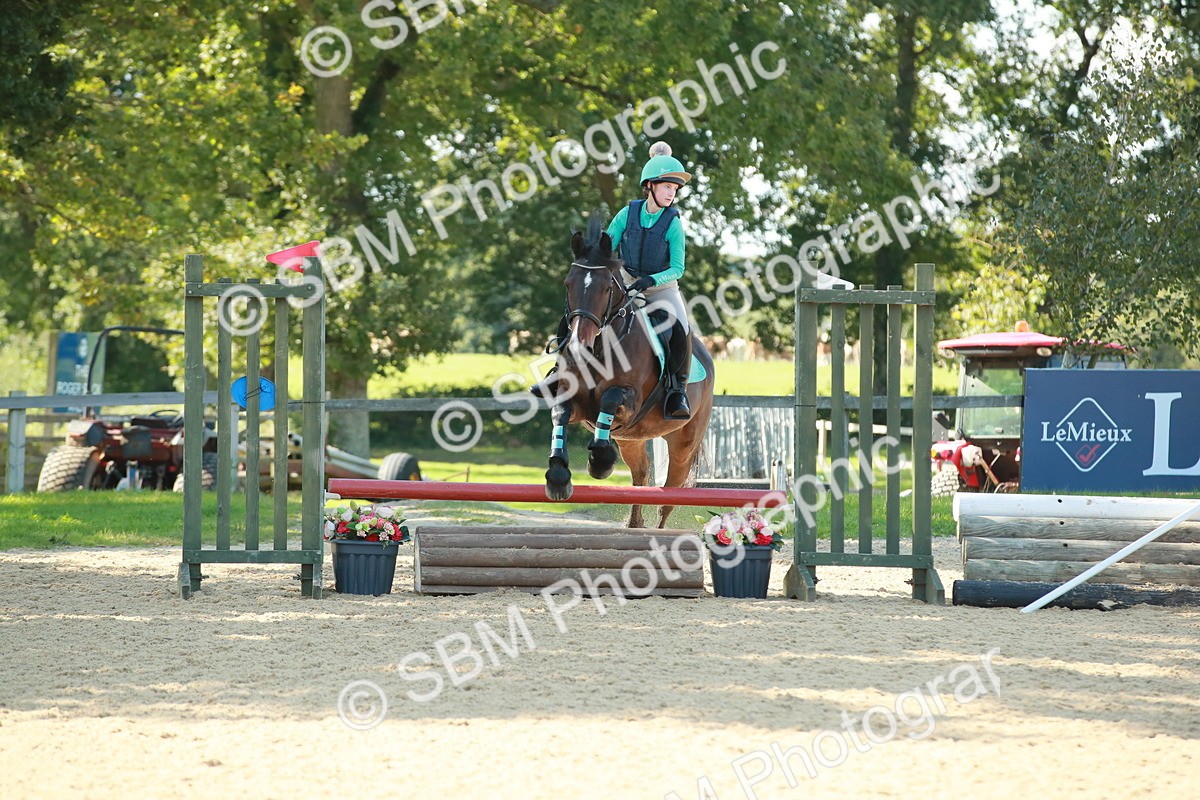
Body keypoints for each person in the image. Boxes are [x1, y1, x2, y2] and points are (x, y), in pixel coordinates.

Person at [532, 141, 695, 419]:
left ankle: (677, 390)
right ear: (650, 187)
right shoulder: (627, 214)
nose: (671, 193)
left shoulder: (674, 224)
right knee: (578, 313)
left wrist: (650, 281)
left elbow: (678, 268)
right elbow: (606, 249)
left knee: (680, 329)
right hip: (624, 281)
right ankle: (558, 372)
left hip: (661, 287)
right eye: (667, 186)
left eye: (674, 189)